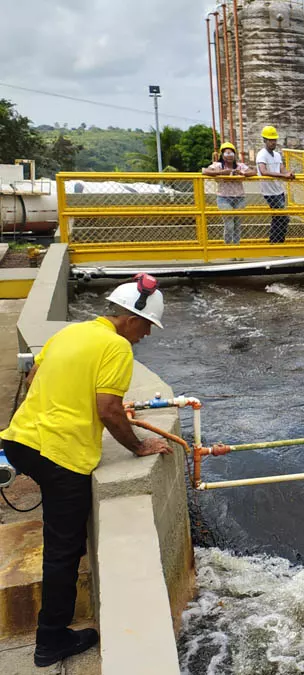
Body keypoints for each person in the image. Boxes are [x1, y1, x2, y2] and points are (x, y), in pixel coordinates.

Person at [1, 275, 172, 668]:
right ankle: (51, 642)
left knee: (63, 537)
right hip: (61, 457)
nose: (145, 335)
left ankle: (54, 629)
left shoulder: (70, 333)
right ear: (132, 317)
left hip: (19, 442)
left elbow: (32, 381)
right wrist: (139, 445)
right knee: (63, 550)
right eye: (147, 326)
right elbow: (109, 409)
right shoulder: (117, 347)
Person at [202, 142, 255, 245]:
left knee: (237, 224)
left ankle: (236, 247)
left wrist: (242, 173)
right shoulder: (217, 165)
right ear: (222, 155)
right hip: (224, 197)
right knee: (229, 224)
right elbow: (205, 171)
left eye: (231, 153)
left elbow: (253, 172)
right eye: (226, 153)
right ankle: (228, 246)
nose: (229, 155)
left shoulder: (240, 166)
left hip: (239, 197)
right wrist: (221, 173)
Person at [256, 126, 294, 244]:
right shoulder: (262, 154)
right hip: (269, 192)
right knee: (283, 217)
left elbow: (282, 169)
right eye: (270, 140)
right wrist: (283, 176)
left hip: (279, 190)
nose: (273, 142)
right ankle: (276, 241)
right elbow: (263, 171)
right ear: (265, 140)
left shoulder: (277, 155)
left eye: (274, 140)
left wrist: (289, 174)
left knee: (278, 217)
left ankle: (276, 242)